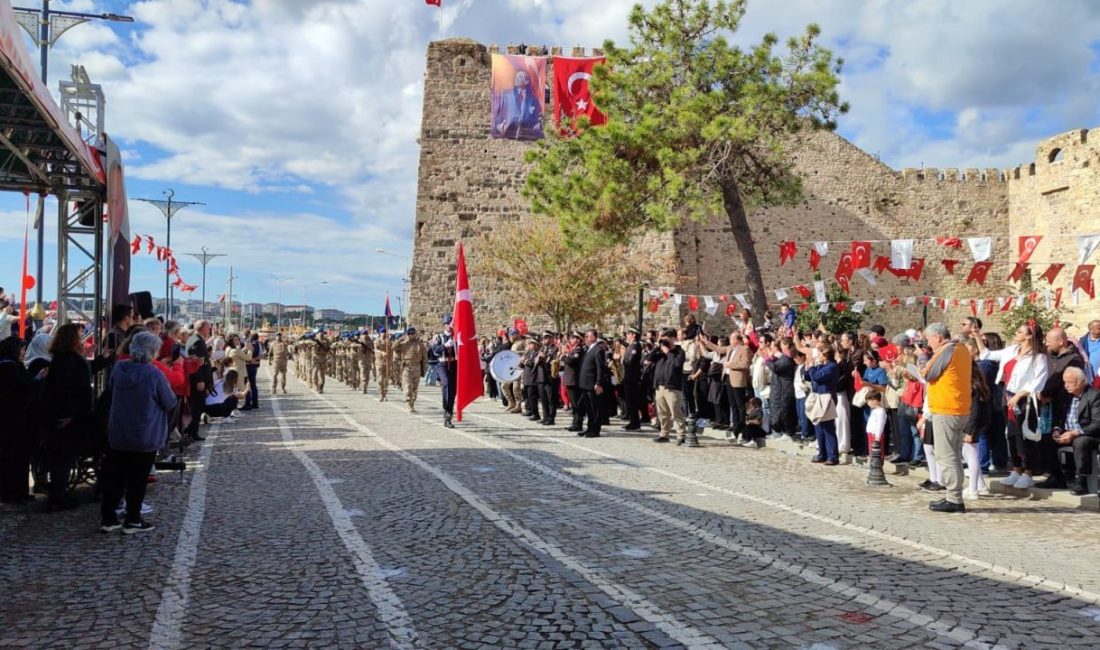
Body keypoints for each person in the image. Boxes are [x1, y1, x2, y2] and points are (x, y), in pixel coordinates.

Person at [99, 331, 175, 534]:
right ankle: (132, 519)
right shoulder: (154, 374)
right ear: (152, 352)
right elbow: (169, 401)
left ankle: (108, 518)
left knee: (116, 476)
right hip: (144, 433)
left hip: (119, 431)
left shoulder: (119, 369)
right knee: (137, 479)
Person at [976, 320, 1048, 490]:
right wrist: (978, 336)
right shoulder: (1012, 351)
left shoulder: (1038, 357)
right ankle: (1016, 469)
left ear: (1029, 336)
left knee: (1025, 435)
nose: (1016, 334)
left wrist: (1020, 394)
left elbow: (1038, 381)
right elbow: (987, 355)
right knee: (1011, 435)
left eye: (1019, 332)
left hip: (1025, 399)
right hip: (1007, 395)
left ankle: (1028, 471)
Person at [34, 323, 94, 510]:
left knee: (59, 458)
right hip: (66, 417)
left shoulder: (59, 359)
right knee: (63, 458)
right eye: (79, 336)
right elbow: (75, 391)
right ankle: (57, 497)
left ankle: (57, 494)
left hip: (56, 416)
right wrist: (74, 416)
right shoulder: (71, 361)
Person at [921, 322, 972, 514]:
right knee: (954, 455)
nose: (928, 344)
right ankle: (954, 495)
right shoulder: (962, 349)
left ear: (939, 337)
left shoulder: (947, 350)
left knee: (946, 455)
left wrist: (920, 359)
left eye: (929, 339)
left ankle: (954, 498)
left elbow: (928, 373)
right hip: (959, 407)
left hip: (947, 408)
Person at [1053, 367, 1100, 496]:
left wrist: (1075, 432)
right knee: (1046, 439)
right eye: (1064, 382)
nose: (1065, 385)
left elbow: (1097, 423)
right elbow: (1059, 418)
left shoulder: (1094, 395)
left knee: (1080, 442)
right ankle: (1057, 477)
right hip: (1067, 432)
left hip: (1089, 434)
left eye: (1069, 382)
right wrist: (1057, 431)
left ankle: (1081, 481)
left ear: (1079, 382)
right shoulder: (1065, 396)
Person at [0, 336, 34, 503]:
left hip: (9, 421)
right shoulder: (11, 368)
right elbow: (24, 390)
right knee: (16, 459)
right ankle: (15, 492)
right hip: (15, 421)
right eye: (21, 349)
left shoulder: (9, 366)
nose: (23, 353)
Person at [648, 331, 695, 446]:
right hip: (659, 385)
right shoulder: (660, 351)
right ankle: (664, 434)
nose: (665, 342)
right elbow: (649, 358)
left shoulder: (679, 351)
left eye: (667, 339)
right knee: (662, 412)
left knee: (675, 411)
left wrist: (668, 352)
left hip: (672, 386)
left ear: (673, 339)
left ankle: (681, 435)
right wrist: (657, 346)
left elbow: (677, 364)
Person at [805, 341, 841, 465]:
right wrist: (810, 368)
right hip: (817, 397)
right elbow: (808, 376)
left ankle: (832, 456)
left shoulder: (832, 367)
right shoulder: (820, 366)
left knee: (828, 427)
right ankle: (822, 453)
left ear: (825, 355)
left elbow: (817, 377)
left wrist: (813, 367)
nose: (818, 356)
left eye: (819, 353)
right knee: (818, 427)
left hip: (827, 398)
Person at [962, 357, 993, 499]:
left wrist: (969, 431)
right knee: (969, 455)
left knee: (972, 456)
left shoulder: (972, 386)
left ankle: (973, 489)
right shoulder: (979, 384)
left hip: (973, 423)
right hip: (978, 421)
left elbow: (974, 410)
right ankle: (981, 486)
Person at [577, 329, 607, 438]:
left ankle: (595, 430)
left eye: (587, 336)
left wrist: (598, 383)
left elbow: (600, 368)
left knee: (595, 408)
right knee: (588, 408)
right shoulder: (588, 349)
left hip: (592, 383)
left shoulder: (598, 349)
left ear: (593, 337)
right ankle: (589, 428)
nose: (585, 338)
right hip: (585, 383)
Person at [394, 327, 427, 413]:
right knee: (407, 386)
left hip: (417, 367)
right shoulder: (404, 343)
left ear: (415, 333)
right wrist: (400, 339)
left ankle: (412, 403)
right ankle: (408, 403)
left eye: (413, 333)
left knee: (414, 388)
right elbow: (393, 348)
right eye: (409, 334)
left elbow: (425, 357)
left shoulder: (420, 344)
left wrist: (424, 369)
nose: (411, 335)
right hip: (407, 367)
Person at [245, 333, 262, 409]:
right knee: (253, 385)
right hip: (254, 366)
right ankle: (255, 403)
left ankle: (248, 403)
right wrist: (255, 360)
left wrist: (251, 360)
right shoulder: (259, 344)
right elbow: (261, 355)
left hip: (248, 366)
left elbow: (247, 356)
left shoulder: (250, 344)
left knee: (248, 385)